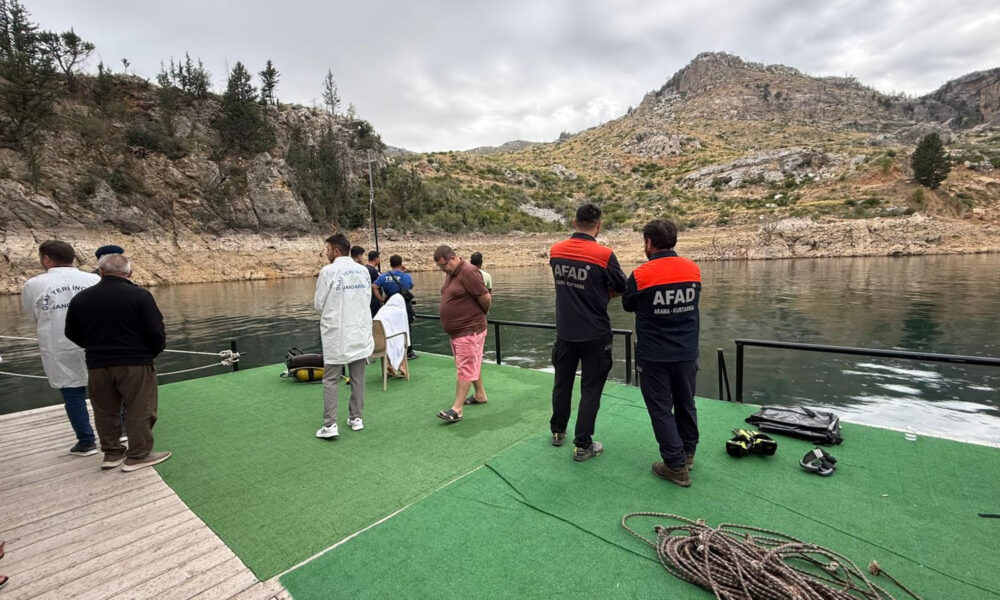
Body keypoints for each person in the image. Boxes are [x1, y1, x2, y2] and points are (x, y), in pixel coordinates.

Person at [64, 253, 171, 472]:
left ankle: (112, 453)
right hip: (135, 362)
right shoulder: (140, 296)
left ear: (101, 272)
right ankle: (139, 454)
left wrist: (94, 346)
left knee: (105, 410)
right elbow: (156, 331)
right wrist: (150, 352)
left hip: (97, 363)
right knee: (140, 408)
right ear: (130, 273)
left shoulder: (81, 299)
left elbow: (71, 332)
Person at [622, 219, 701, 487]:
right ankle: (687, 454)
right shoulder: (692, 270)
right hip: (687, 352)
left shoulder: (641, 275)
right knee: (686, 402)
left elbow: (628, 304)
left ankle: (675, 466)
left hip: (654, 355)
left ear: (648, 242)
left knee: (660, 408)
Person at [548, 204, 627, 462]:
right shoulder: (604, 255)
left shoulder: (556, 251)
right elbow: (622, 286)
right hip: (595, 333)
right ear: (599, 225)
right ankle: (583, 445)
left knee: (562, 383)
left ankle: (558, 431)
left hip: (565, 332)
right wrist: (602, 294)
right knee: (591, 390)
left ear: (574, 222)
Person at [21, 240, 101, 457]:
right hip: (94, 342)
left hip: (58, 344)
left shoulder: (34, 285)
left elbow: (32, 316)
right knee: (107, 390)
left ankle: (86, 441)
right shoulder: (93, 279)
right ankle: (120, 431)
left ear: (46, 259)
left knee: (72, 394)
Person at [314, 234, 374, 439]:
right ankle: (356, 417)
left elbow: (318, 304)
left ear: (336, 251)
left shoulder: (328, 271)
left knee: (331, 379)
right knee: (358, 378)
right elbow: (366, 298)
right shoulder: (363, 271)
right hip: (359, 331)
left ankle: (330, 424)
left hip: (337, 332)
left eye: (328, 250)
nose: (327, 253)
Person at [433, 245, 491, 423]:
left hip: (469, 330)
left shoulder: (469, 272)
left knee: (465, 367)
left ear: (452, 258)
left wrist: (480, 314)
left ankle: (457, 409)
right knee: (471, 363)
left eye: (443, 265)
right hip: (458, 331)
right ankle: (480, 394)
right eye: (440, 267)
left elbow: (485, 297)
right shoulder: (451, 273)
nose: (443, 269)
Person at [372, 255, 417, 360]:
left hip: (390, 305)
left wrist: (381, 299)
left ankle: (392, 349)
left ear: (390, 264)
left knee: (392, 327)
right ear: (401, 264)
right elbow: (411, 285)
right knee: (407, 326)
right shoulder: (406, 276)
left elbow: (374, 287)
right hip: (404, 305)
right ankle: (408, 351)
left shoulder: (384, 276)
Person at [366, 250, 382, 317]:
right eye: (379, 258)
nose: (379, 260)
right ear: (376, 259)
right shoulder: (373, 271)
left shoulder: (365, 269)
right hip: (374, 301)